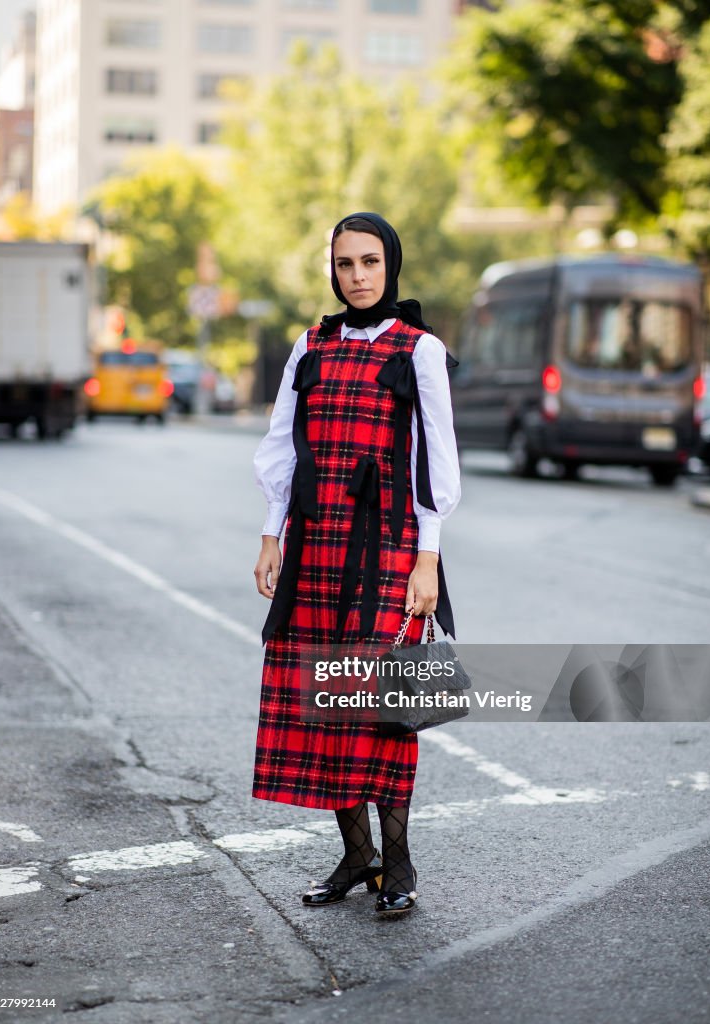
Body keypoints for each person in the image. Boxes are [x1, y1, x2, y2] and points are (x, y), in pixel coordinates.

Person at [252, 212, 461, 917]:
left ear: (389, 264)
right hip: (316, 544)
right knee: (326, 701)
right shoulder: (309, 345)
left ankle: (395, 864)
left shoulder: (419, 349)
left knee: (381, 707)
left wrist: (426, 560)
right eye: (345, 264)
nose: (358, 276)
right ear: (331, 271)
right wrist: (270, 534)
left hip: (388, 546)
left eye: (369, 262)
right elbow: (282, 445)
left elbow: (435, 462)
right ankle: (356, 853)